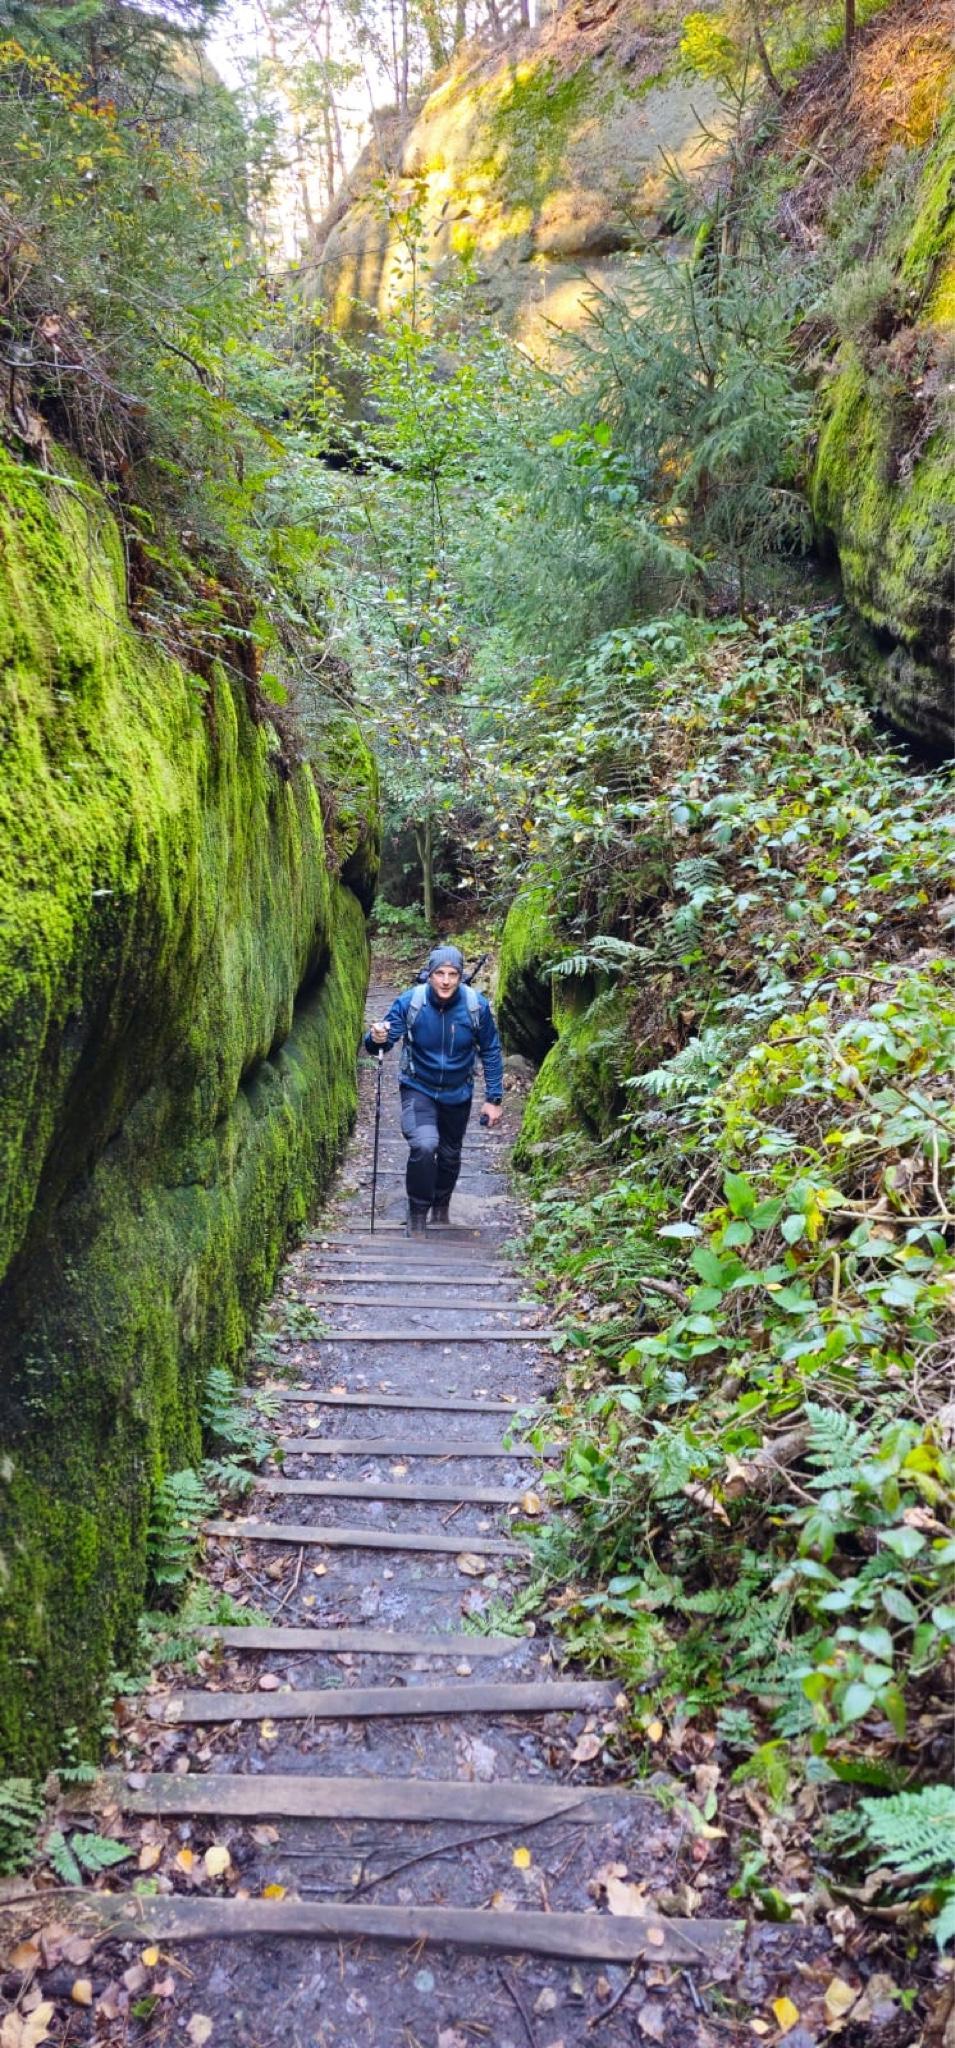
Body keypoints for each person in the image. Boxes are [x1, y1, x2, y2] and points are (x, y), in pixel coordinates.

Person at [365, 945, 504, 1234]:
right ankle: (417, 1213)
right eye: (440, 973)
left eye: (453, 974)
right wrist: (376, 1037)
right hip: (418, 1087)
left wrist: (493, 1098)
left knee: (450, 1154)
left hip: (458, 1091)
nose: (446, 980)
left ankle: (441, 1208)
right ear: (429, 974)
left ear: (460, 976)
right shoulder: (411, 1002)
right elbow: (382, 1042)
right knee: (424, 1145)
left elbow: (491, 1050)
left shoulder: (475, 1006)